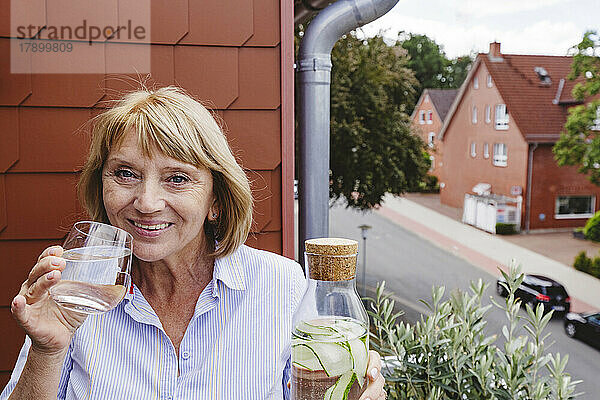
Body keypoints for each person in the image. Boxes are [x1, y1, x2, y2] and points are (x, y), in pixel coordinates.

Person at [1, 86, 386, 400]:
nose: (147, 203)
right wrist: (46, 352)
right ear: (101, 185)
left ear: (215, 200)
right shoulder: (77, 286)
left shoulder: (280, 285)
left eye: (177, 178)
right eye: (125, 174)